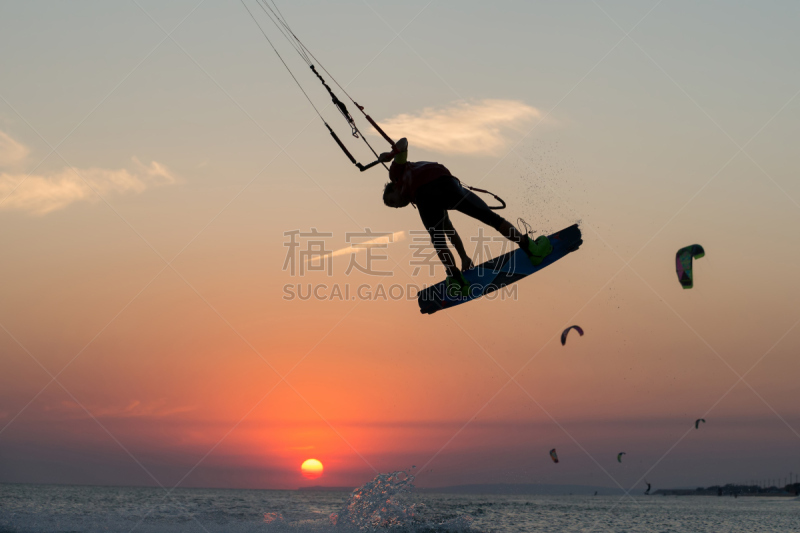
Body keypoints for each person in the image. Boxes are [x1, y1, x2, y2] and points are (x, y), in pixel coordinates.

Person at [379, 137, 552, 296]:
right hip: (447, 186)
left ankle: (457, 280)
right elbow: (451, 231)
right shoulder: (415, 198)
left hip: (434, 189)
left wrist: (391, 155)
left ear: (393, 188)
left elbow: (403, 142)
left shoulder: (396, 173)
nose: (397, 206)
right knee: (489, 219)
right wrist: (464, 257)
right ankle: (531, 250)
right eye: (393, 207)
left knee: (439, 240)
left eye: (392, 202)